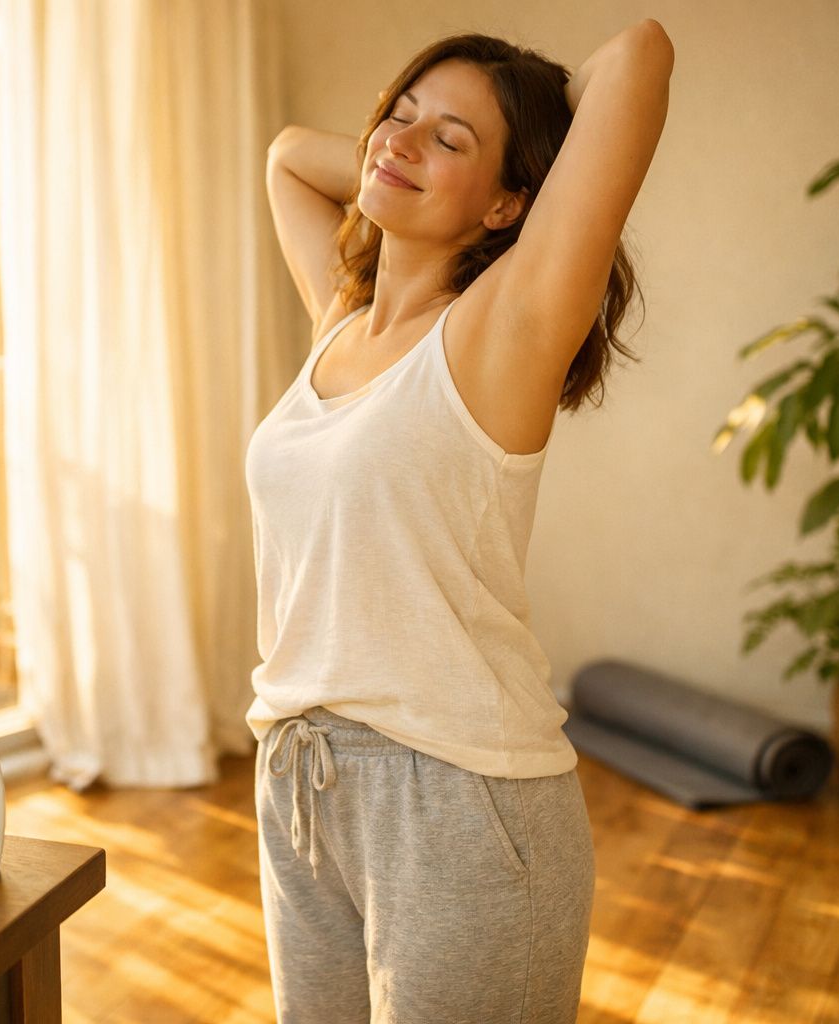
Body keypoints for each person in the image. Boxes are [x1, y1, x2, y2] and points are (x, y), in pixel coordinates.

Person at [244, 20, 674, 1024]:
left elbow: (640, 53)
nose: (400, 139)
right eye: (397, 114)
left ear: (511, 202)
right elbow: (285, 162)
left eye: (452, 137)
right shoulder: (342, 325)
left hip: (458, 799)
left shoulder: (503, 328)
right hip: (301, 782)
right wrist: (412, 168)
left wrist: (470, 178)